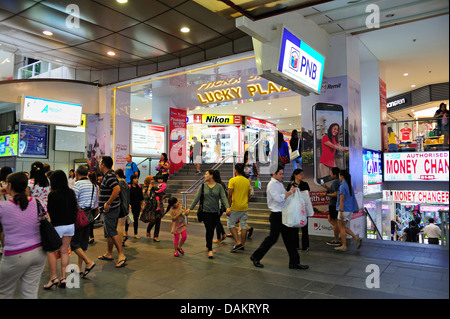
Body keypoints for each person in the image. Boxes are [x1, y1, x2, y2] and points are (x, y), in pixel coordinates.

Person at [250, 165, 308, 270]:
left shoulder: (279, 184)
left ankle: (294, 263)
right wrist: (290, 192)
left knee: (289, 239)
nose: (282, 175)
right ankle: (255, 256)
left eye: (282, 173)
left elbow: (285, 197)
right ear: (274, 174)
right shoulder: (272, 185)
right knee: (272, 238)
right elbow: (278, 199)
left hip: (283, 214)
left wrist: (291, 190)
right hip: (276, 215)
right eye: (280, 174)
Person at [0, 172, 47, 299]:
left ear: (9, 185)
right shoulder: (37, 202)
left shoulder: (3, 207)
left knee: (4, 293)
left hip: (15, 255)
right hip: (39, 253)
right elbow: (47, 219)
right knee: (30, 293)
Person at [45, 170, 77, 289]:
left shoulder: (52, 194)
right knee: (64, 251)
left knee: (51, 251)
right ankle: (63, 278)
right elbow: (74, 209)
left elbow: (50, 211)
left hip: (57, 226)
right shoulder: (71, 192)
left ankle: (53, 277)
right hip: (70, 226)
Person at [187, 170, 230, 258]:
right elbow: (196, 198)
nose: (205, 176)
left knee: (211, 229)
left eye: (206, 174)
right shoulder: (202, 186)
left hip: (216, 212)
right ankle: (210, 249)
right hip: (205, 212)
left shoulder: (219, 187)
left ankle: (208, 245)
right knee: (209, 230)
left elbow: (223, 198)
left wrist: (228, 207)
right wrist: (189, 209)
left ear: (211, 175)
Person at [97, 156, 127, 268]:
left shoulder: (109, 176)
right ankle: (109, 253)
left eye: (100, 163)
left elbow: (117, 189)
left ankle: (121, 255)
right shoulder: (108, 175)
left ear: (103, 164)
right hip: (108, 210)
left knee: (112, 231)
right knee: (109, 232)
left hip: (111, 209)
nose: (99, 165)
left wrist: (108, 203)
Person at [72, 165, 97, 278]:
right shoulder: (93, 185)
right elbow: (94, 203)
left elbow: (74, 200)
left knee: (74, 243)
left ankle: (88, 262)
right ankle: (79, 266)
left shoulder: (77, 184)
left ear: (77, 173)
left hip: (79, 216)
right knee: (83, 242)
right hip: (89, 215)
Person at [335, 170, 362, 252]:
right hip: (349, 209)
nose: (339, 177)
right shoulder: (349, 185)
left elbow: (342, 199)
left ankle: (344, 245)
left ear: (342, 176)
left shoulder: (342, 186)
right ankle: (355, 237)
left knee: (341, 227)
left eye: (339, 175)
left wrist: (341, 211)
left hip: (344, 209)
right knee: (342, 226)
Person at [227, 163, 251, 253]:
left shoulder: (233, 180)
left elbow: (229, 194)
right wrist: (246, 202)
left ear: (235, 170)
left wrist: (228, 206)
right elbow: (249, 195)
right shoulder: (246, 181)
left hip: (235, 206)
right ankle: (243, 245)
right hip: (244, 207)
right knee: (243, 225)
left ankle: (238, 243)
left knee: (230, 224)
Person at [286, 169, 311, 251]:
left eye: (303, 174)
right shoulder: (291, 184)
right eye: (300, 174)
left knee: (304, 229)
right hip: (295, 210)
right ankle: (295, 245)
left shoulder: (305, 184)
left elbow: (308, 197)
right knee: (295, 229)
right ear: (295, 175)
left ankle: (305, 246)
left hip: (303, 210)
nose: (302, 176)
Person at [320, 167, 341, 246]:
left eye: (331, 173)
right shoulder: (338, 181)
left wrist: (325, 194)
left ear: (335, 175)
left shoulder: (335, 182)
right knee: (331, 219)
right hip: (335, 204)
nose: (330, 174)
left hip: (334, 204)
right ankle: (338, 236)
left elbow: (335, 194)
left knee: (334, 222)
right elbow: (334, 191)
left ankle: (336, 240)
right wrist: (326, 187)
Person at [212, 170, 228, 243]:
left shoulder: (216, 184)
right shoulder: (222, 183)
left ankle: (220, 237)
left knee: (216, 221)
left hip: (218, 205)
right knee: (216, 220)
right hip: (222, 205)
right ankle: (223, 234)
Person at [125, 173, 144, 239]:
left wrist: (142, 205)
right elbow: (126, 197)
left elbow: (141, 197)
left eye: (137, 178)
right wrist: (128, 204)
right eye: (135, 178)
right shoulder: (129, 187)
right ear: (132, 180)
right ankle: (126, 232)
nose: (137, 180)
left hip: (137, 206)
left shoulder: (139, 187)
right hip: (130, 206)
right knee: (129, 220)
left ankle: (135, 234)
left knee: (136, 220)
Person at [115, 168, 130, 246]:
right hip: (125, 206)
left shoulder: (117, 184)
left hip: (118, 205)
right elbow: (128, 196)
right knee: (122, 224)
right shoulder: (126, 184)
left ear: (117, 175)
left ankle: (120, 240)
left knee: (119, 225)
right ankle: (123, 236)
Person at [88, 171, 100, 243]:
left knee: (87, 222)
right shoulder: (97, 186)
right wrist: (98, 206)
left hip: (89, 206)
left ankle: (89, 236)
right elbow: (97, 197)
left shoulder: (89, 186)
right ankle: (91, 236)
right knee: (91, 222)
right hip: (95, 206)